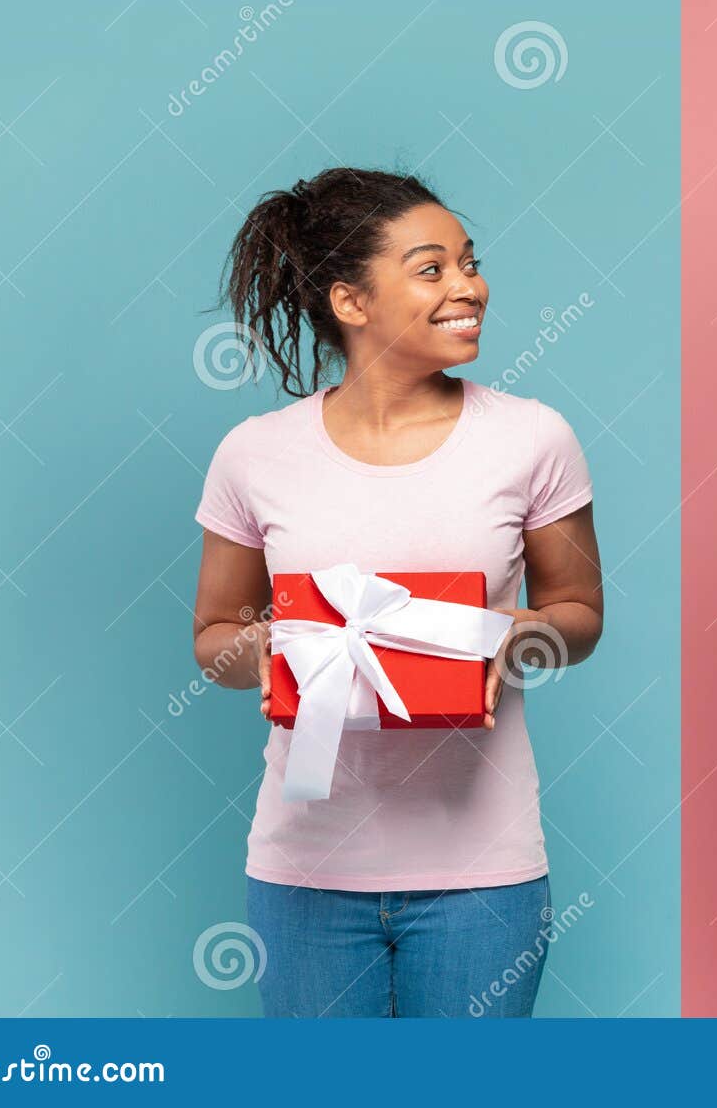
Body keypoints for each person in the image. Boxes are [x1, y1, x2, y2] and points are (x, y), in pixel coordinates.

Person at [191, 167, 603, 1017]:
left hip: (482, 878)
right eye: (432, 269)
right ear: (351, 301)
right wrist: (277, 650)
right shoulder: (254, 454)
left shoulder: (532, 439)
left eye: (469, 262)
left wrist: (514, 637)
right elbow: (212, 636)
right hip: (303, 872)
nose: (470, 287)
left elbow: (580, 616)